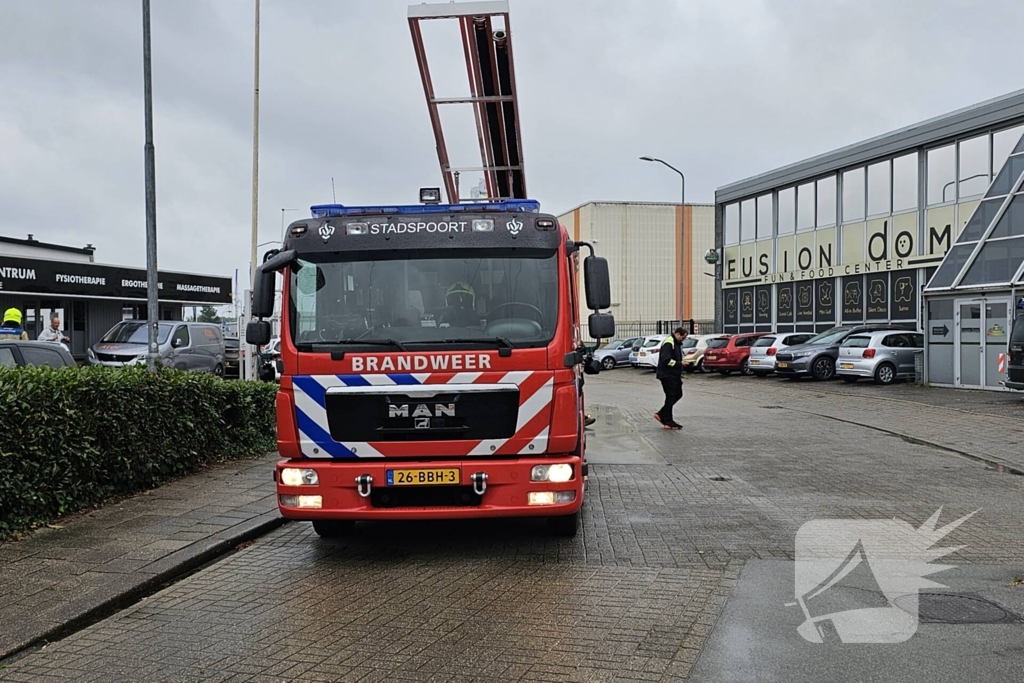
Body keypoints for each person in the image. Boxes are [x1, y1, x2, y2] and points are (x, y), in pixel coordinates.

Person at [655, 327, 687, 429]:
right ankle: (668, 421)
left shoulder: (676, 343)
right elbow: (666, 360)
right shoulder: (669, 343)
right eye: (683, 337)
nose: (684, 339)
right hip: (667, 375)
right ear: (677, 334)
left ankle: (661, 414)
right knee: (671, 396)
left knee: (678, 394)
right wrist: (679, 363)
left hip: (674, 375)